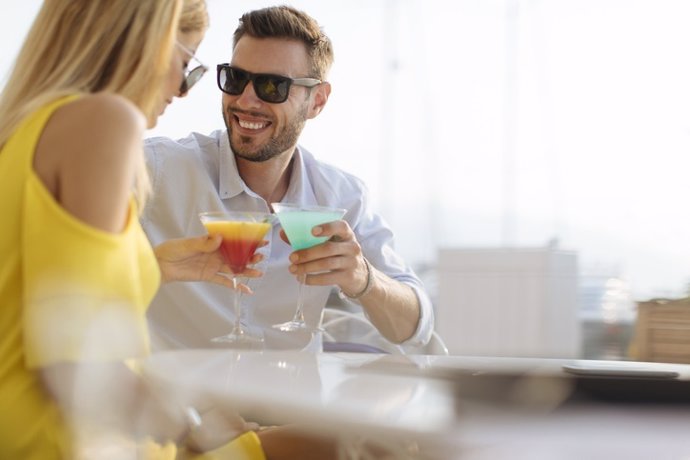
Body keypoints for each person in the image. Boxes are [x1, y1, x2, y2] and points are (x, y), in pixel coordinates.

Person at [0, 1, 336, 459]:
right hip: (75, 441)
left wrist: (155, 266)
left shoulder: (29, 126)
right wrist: (194, 424)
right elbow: (73, 367)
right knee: (336, 443)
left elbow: (38, 297)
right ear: (145, 43)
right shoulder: (103, 120)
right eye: (186, 65)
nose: (182, 91)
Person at [142, 5, 435, 351]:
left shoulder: (341, 197)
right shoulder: (157, 169)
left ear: (317, 101)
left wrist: (363, 279)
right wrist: (154, 266)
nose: (246, 100)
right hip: (180, 401)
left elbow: (416, 327)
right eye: (235, 79)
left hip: (295, 401)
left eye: (272, 85)